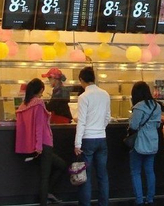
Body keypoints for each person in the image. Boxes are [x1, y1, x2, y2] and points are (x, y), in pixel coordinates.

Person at [14, 78, 66, 205]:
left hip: (32, 145)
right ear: (40, 90)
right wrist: (39, 146)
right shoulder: (38, 103)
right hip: (43, 144)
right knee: (46, 176)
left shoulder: (23, 105)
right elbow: (39, 126)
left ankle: (47, 193)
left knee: (59, 166)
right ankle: (45, 198)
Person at [74, 66, 111, 206]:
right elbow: (107, 117)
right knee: (103, 176)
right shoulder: (105, 94)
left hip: (87, 140)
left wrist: (77, 144)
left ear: (81, 80)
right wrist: (100, 128)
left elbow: (81, 122)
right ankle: (104, 203)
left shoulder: (83, 97)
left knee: (86, 176)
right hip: (102, 138)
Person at [128, 81, 162, 206]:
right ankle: (150, 199)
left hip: (140, 142)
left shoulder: (138, 107)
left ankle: (139, 200)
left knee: (136, 171)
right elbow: (158, 124)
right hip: (153, 142)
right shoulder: (156, 106)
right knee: (150, 171)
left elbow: (134, 125)